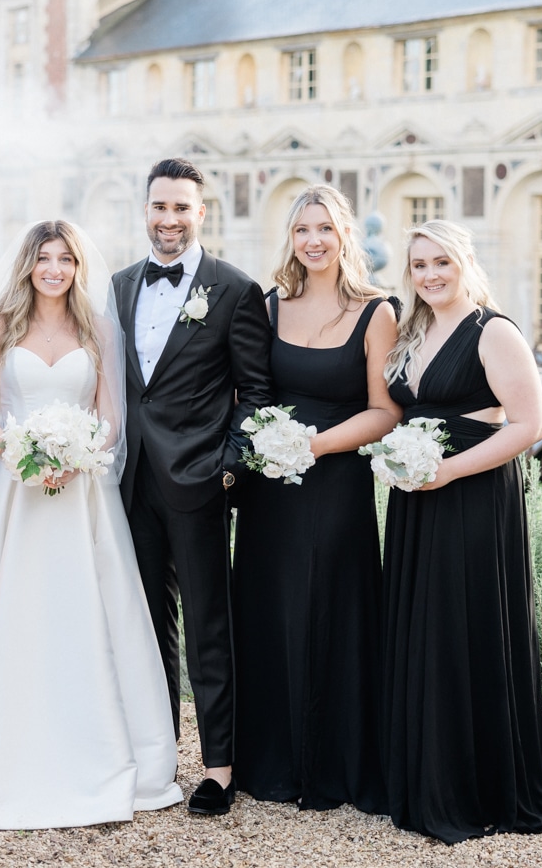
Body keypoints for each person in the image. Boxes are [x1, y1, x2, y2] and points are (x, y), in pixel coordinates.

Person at [0, 220, 182, 829]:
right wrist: (23, 455)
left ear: (78, 268)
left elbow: (110, 418)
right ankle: (1, 761)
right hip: (15, 491)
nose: (55, 269)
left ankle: (105, 756)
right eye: (44, 259)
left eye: (65, 259)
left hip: (82, 491)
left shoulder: (99, 329)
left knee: (87, 610)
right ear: (28, 265)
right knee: (12, 609)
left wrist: (78, 454)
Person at [379, 219, 542, 843]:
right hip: (416, 501)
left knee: (463, 629)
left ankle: (472, 787)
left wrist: (448, 471)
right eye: (419, 265)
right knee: (423, 630)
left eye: (441, 262)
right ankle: (423, 777)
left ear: (465, 262)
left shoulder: (494, 331)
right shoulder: (411, 331)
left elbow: (528, 426)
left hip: (472, 497)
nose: (430, 274)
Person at [112, 157, 275, 816]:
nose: (169, 219)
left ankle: (218, 769)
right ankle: (155, 762)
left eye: (181, 207)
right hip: (128, 485)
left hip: (199, 482)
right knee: (144, 626)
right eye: (160, 206)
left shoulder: (234, 290)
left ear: (201, 213)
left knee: (209, 627)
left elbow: (256, 394)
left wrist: (227, 468)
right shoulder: (117, 286)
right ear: (145, 209)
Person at [231, 185, 399, 813]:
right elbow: (249, 392)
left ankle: (334, 764)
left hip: (336, 483)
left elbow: (385, 411)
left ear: (345, 234)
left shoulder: (376, 312)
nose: (313, 240)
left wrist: (316, 445)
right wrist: (265, 446)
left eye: (325, 228)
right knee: (269, 609)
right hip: (270, 488)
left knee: (332, 609)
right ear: (291, 238)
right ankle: (270, 762)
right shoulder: (269, 305)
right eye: (302, 229)